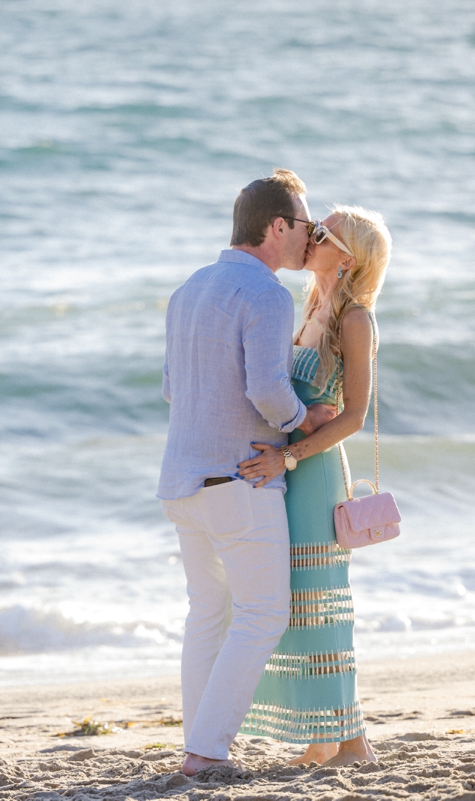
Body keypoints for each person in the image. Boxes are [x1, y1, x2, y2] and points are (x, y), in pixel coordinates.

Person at [158, 169, 337, 776]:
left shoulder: (190, 288)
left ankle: (199, 742)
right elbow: (265, 389)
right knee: (263, 615)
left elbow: (170, 389)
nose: (309, 237)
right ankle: (206, 751)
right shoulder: (265, 294)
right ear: (277, 227)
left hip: (181, 481)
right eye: (306, 227)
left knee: (208, 614)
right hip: (239, 481)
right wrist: (303, 419)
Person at [235, 206, 392, 767]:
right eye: (312, 226)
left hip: (316, 473)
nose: (310, 237)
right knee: (298, 605)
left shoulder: (356, 320)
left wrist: (290, 456)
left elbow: (353, 416)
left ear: (347, 259)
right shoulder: (309, 306)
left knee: (322, 609)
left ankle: (354, 743)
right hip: (291, 471)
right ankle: (322, 740)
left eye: (322, 234)